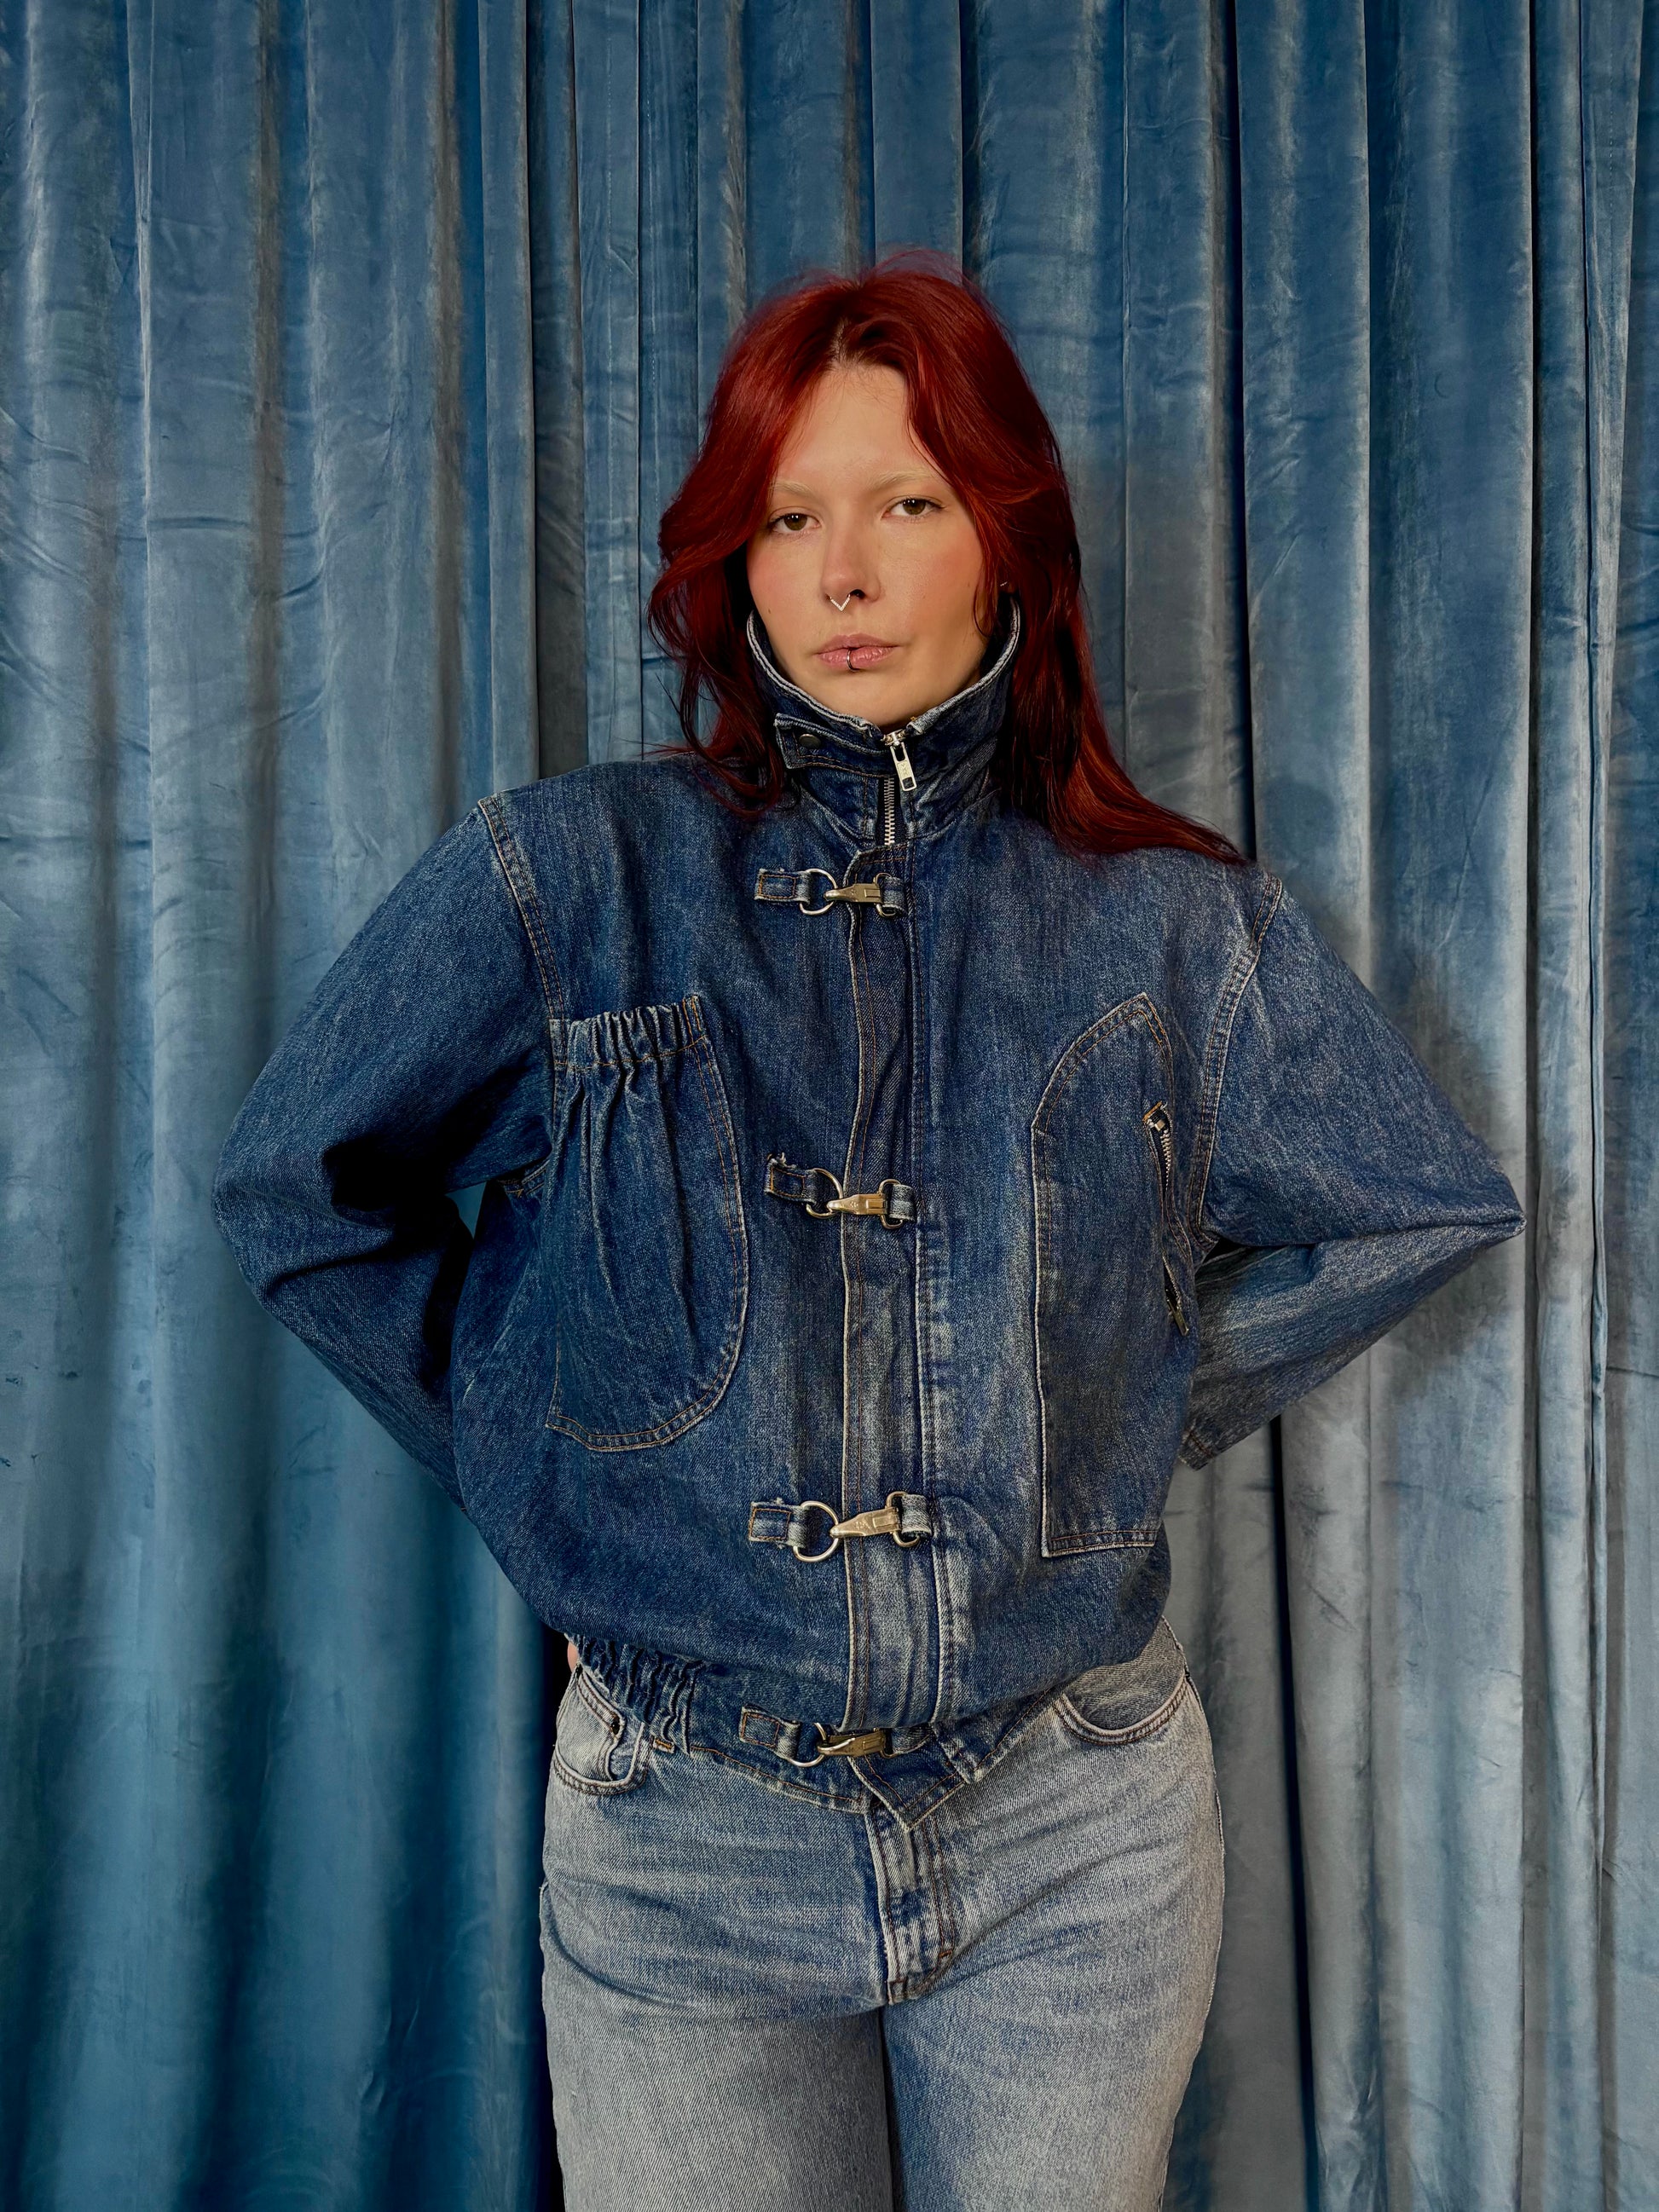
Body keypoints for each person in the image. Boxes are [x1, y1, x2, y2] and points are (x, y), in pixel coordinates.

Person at [211, 251, 1524, 2212]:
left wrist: (1115, 1405)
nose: (842, 572)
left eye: (907, 502)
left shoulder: (1174, 927)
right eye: (788, 516)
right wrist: (543, 1457)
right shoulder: (573, 877)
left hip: (1074, 1830)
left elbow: (1417, 1200)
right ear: (732, 562)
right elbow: (298, 1192)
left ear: (1005, 540)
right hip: (685, 1839)